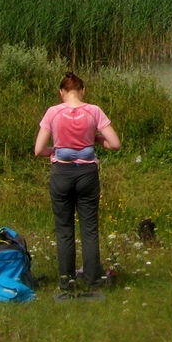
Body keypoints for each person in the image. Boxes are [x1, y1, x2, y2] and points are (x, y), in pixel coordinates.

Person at [33, 72, 121, 292]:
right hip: (87, 175)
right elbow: (115, 144)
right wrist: (96, 139)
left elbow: (38, 150)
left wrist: (57, 150)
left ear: (61, 92)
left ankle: (67, 282)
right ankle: (93, 280)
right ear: (83, 91)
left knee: (64, 230)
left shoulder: (53, 112)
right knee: (89, 229)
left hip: (61, 174)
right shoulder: (94, 111)